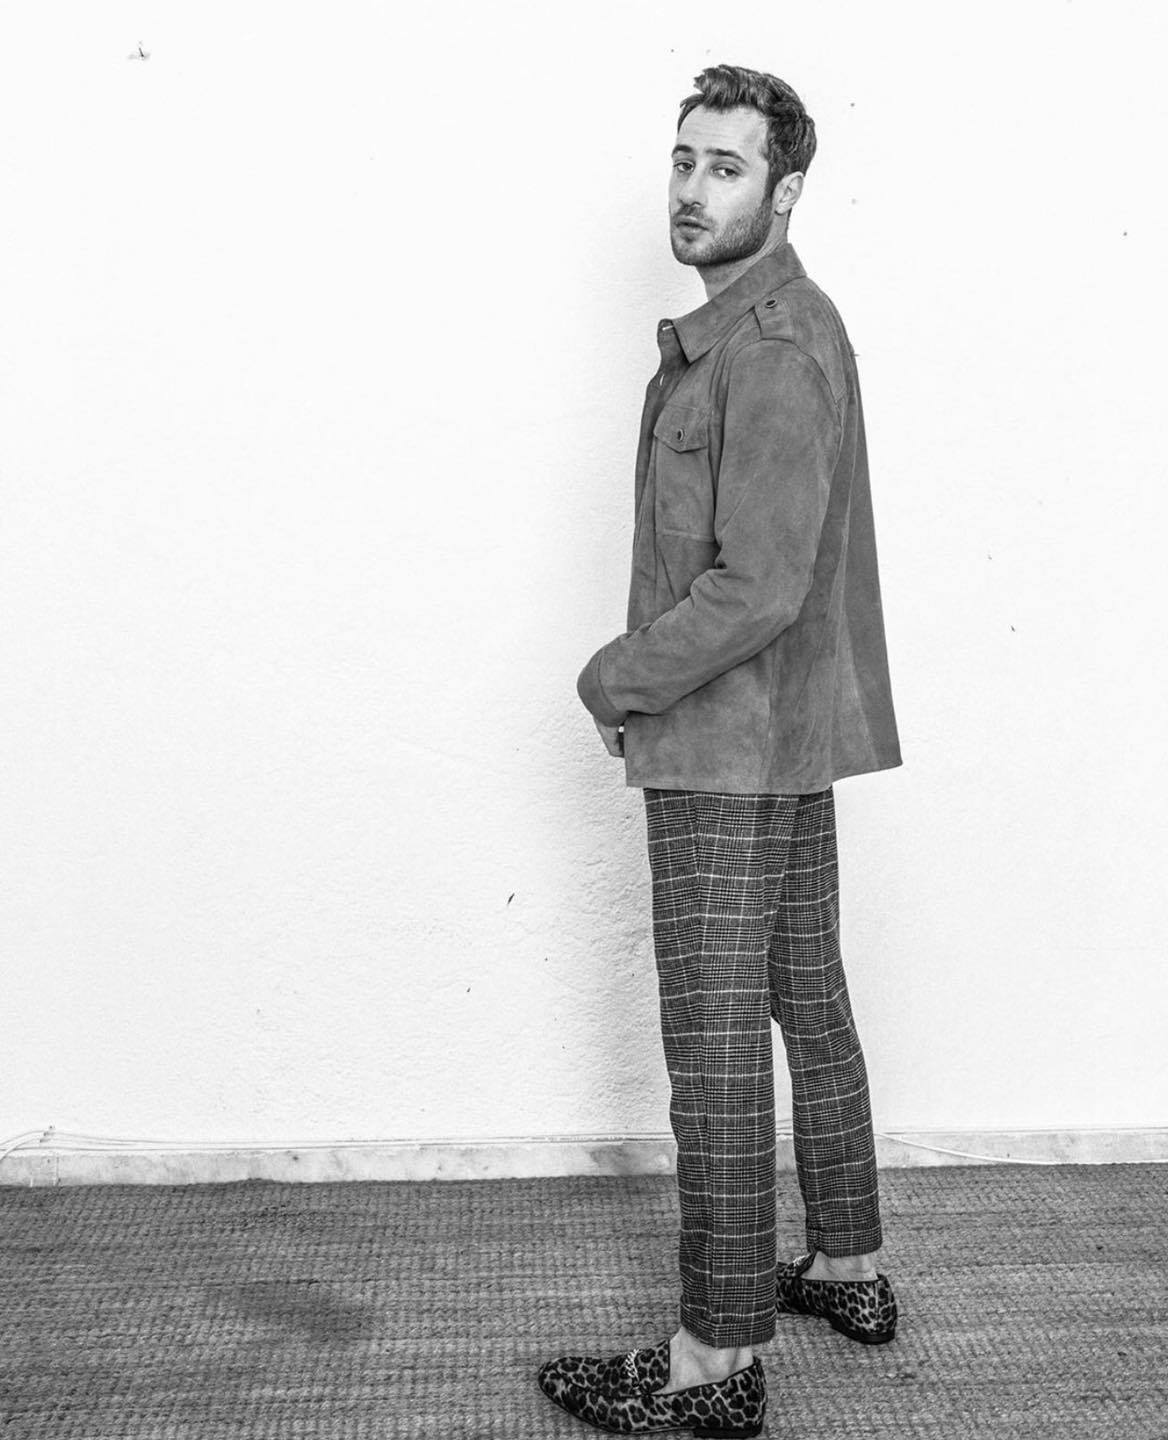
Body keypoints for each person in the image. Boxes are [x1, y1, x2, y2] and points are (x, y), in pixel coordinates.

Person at [537, 63, 903, 1438]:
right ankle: (848, 1265)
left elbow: (758, 587)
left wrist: (612, 679)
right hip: (782, 741)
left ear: (786, 189)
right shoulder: (766, 329)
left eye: (727, 166)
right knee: (807, 998)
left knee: (716, 1047)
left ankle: (715, 1357)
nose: (692, 189)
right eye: (685, 159)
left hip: (725, 748)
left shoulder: (773, 347)